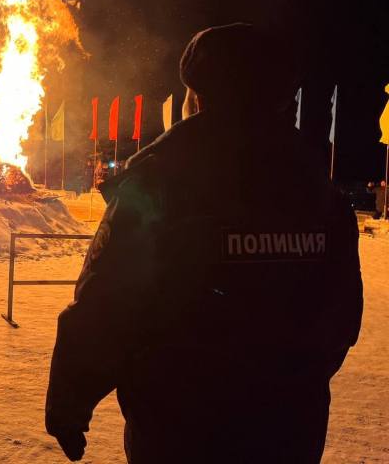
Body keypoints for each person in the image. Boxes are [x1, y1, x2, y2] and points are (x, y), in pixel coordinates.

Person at [45, 23, 363, 463]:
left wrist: (70, 399)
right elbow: (342, 315)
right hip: (288, 429)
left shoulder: (161, 182)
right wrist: (288, 381)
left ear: (197, 96)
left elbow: (107, 302)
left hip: (179, 427)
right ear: (280, 97)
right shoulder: (317, 191)